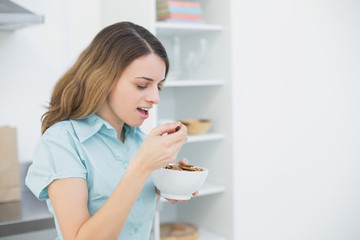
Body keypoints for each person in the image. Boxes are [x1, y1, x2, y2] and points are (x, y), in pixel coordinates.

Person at [25, 21, 194, 240]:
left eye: (159, 86)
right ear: (104, 79)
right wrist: (143, 165)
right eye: (142, 85)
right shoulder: (61, 141)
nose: (155, 98)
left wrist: (168, 184)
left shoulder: (140, 141)